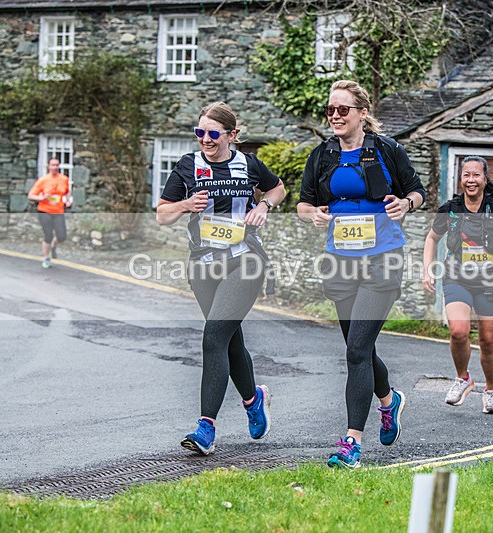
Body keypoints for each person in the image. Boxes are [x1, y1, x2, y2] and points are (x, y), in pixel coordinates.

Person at [297, 80, 426, 469]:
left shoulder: (387, 150)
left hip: (382, 258)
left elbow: (417, 192)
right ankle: (389, 400)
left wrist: (405, 204)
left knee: (355, 350)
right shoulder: (322, 155)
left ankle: (351, 442)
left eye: (343, 109)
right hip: (340, 261)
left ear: (362, 113)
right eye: (330, 110)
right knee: (361, 349)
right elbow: (304, 204)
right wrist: (313, 214)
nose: (335, 116)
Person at [156, 102, 286, 454]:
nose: (206, 139)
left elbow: (278, 188)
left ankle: (206, 428)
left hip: (245, 260)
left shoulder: (248, 164)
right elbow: (162, 214)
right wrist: (185, 205)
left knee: (214, 335)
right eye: (200, 132)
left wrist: (264, 205)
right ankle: (253, 399)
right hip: (204, 265)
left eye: (213, 133)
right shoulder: (188, 165)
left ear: (232, 135)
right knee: (228, 339)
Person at [423, 156, 493, 414]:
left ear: (485, 179)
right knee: (458, 332)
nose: (471, 180)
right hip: (456, 277)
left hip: (488, 280)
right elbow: (432, 238)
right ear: (461, 179)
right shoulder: (450, 209)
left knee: (488, 340)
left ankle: (490, 391)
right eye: (466, 175)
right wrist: (427, 269)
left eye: (476, 175)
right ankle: (463, 378)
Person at [27, 158, 72, 268]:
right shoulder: (43, 180)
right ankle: (46, 258)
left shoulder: (64, 179)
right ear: (48, 166)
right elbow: (31, 195)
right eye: (53, 165)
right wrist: (42, 197)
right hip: (44, 211)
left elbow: (67, 192)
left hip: (58, 211)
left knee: (61, 236)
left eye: (57, 165)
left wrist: (68, 200)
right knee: (48, 235)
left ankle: (53, 246)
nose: (55, 167)